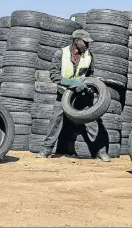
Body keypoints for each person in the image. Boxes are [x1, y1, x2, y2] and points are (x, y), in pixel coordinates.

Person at [35, 29, 111, 162]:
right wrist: (72, 83)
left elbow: (89, 75)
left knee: (91, 120)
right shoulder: (61, 54)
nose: (88, 45)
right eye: (85, 42)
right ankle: (46, 149)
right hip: (64, 94)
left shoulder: (89, 56)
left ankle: (100, 151)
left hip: (81, 95)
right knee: (55, 120)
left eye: (88, 43)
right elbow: (53, 75)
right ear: (77, 41)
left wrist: (91, 85)